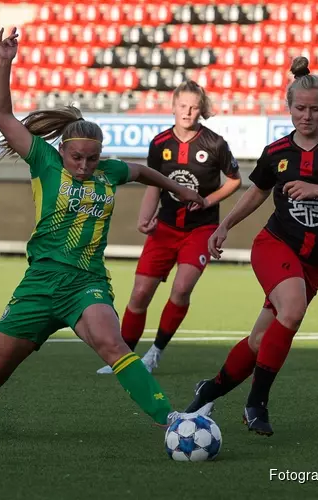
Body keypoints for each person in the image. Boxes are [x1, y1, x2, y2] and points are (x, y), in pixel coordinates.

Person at [0, 27, 211, 439]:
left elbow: (143, 171)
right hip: (39, 284)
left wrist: (181, 190)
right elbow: (1, 116)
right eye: (78, 157)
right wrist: (5, 62)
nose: (86, 165)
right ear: (63, 149)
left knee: (114, 346)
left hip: (85, 282)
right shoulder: (44, 160)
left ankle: (172, 420)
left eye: (93, 158)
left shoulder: (109, 171)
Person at [183, 56, 318, 436]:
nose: (307, 116)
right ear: (289, 108)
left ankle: (210, 389)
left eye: (315, 109)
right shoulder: (277, 152)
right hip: (274, 245)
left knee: (259, 340)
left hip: (313, 262)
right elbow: (257, 193)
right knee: (293, 308)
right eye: (300, 108)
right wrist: (224, 224)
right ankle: (256, 404)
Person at [96, 80, 241, 375]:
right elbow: (153, 185)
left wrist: (208, 200)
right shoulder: (160, 144)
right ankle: (122, 358)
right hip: (165, 227)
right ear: (173, 106)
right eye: (183, 106)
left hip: (200, 229)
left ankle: (155, 352)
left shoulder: (215, 144)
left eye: (194, 107)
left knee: (182, 288)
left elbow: (235, 181)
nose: (188, 112)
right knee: (139, 294)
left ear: (201, 110)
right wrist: (144, 218)